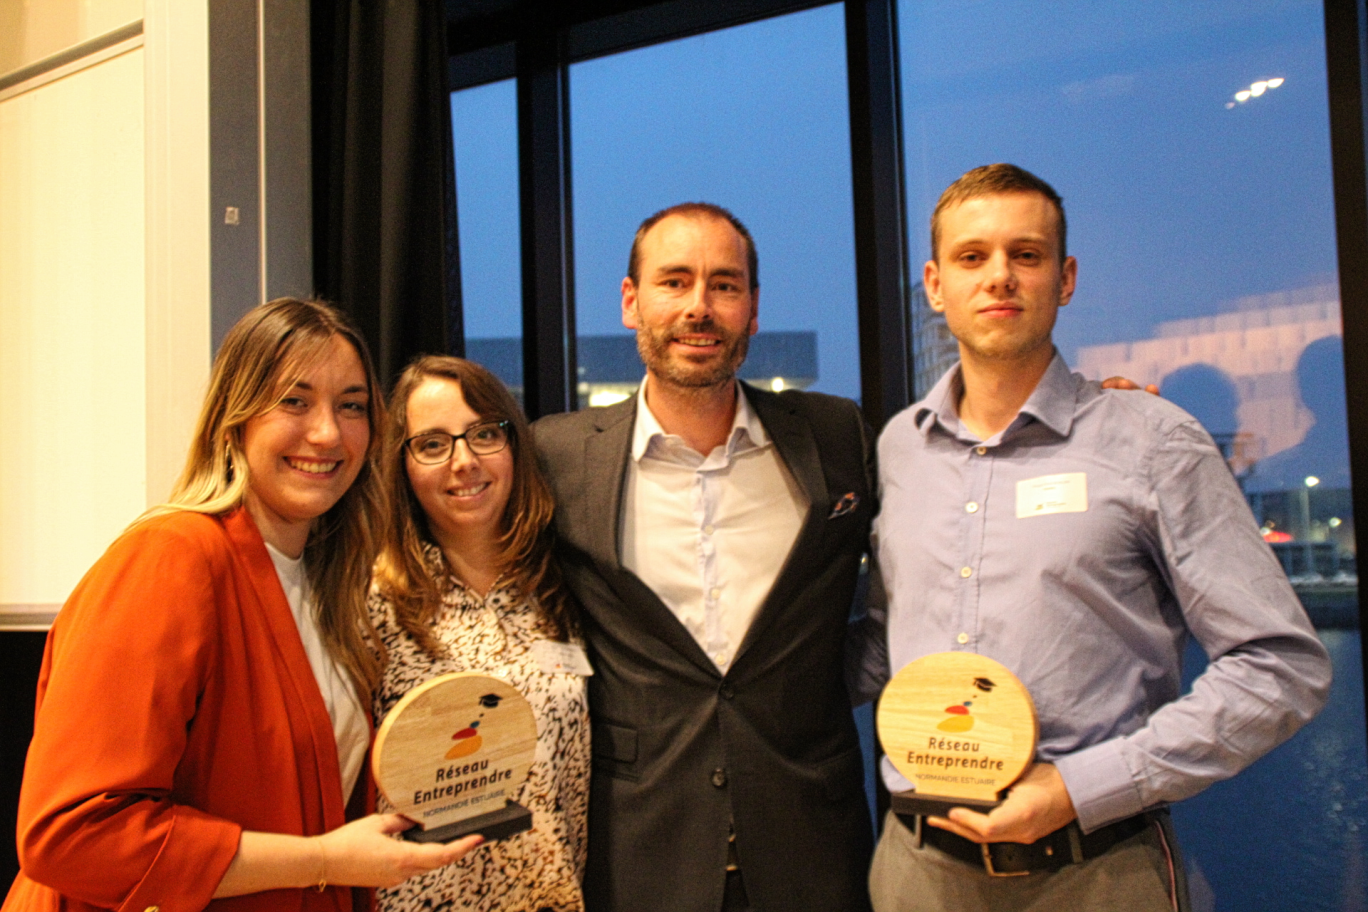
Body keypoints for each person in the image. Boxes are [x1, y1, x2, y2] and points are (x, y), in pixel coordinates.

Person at [859, 164, 1332, 911]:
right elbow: (888, 641)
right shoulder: (898, 448)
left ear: (1065, 277)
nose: (1000, 278)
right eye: (972, 257)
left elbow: (1281, 666)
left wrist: (1082, 789)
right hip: (914, 874)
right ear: (935, 283)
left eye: (1027, 255)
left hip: (1096, 872)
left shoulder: (1152, 442)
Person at [4, 299, 479, 912]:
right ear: (235, 417)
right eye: (294, 400)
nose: (328, 432)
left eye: (351, 406)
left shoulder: (327, 585)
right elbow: (72, 833)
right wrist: (327, 861)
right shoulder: (168, 559)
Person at [534, 203, 876, 912]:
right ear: (631, 302)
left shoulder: (836, 434)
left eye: (724, 285)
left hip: (810, 840)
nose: (700, 307)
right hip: (639, 846)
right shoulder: (558, 456)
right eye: (675, 282)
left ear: (753, 308)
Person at [368, 355, 589, 912]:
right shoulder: (373, 605)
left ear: (512, 443)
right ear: (402, 465)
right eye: (433, 444)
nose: (463, 461)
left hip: (555, 896)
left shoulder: (565, 587)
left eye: (483, 434)